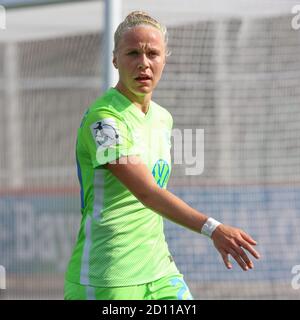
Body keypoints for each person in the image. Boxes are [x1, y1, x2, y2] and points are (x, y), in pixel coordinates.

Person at [64, 11, 260, 300]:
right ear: (115, 59)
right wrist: (213, 228)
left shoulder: (162, 118)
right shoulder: (104, 120)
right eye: (133, 53)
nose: (144, 63)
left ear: (164, 59)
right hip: (108, 277)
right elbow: (147, 192)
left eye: (152, 53)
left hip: (160, 271)